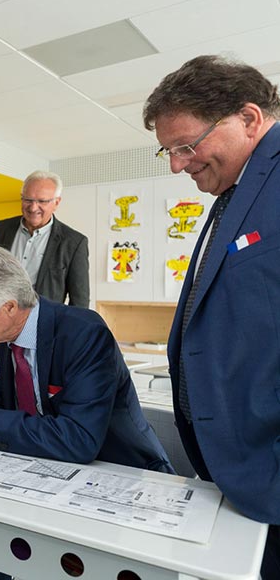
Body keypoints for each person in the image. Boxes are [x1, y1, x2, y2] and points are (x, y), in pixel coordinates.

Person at [0, 245, 173, 580]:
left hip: (117, 478)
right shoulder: (5, 336)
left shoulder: (82, 333)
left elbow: (78, 439)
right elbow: (12, 410)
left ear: (8, 307)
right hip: (43, 472)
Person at [143, 54, 280, 580]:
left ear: (247, 118)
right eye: (169, 151)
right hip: (239, 476)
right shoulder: (235, 195)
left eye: (186, 145)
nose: (177, 165)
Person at [0, 170, 89, 308]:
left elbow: (80, 302)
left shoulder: (74, 242)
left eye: (42, 201)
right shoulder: (0, 229)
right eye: (28, 200)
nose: (33, 207)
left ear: (56, 203)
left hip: (43, 323)